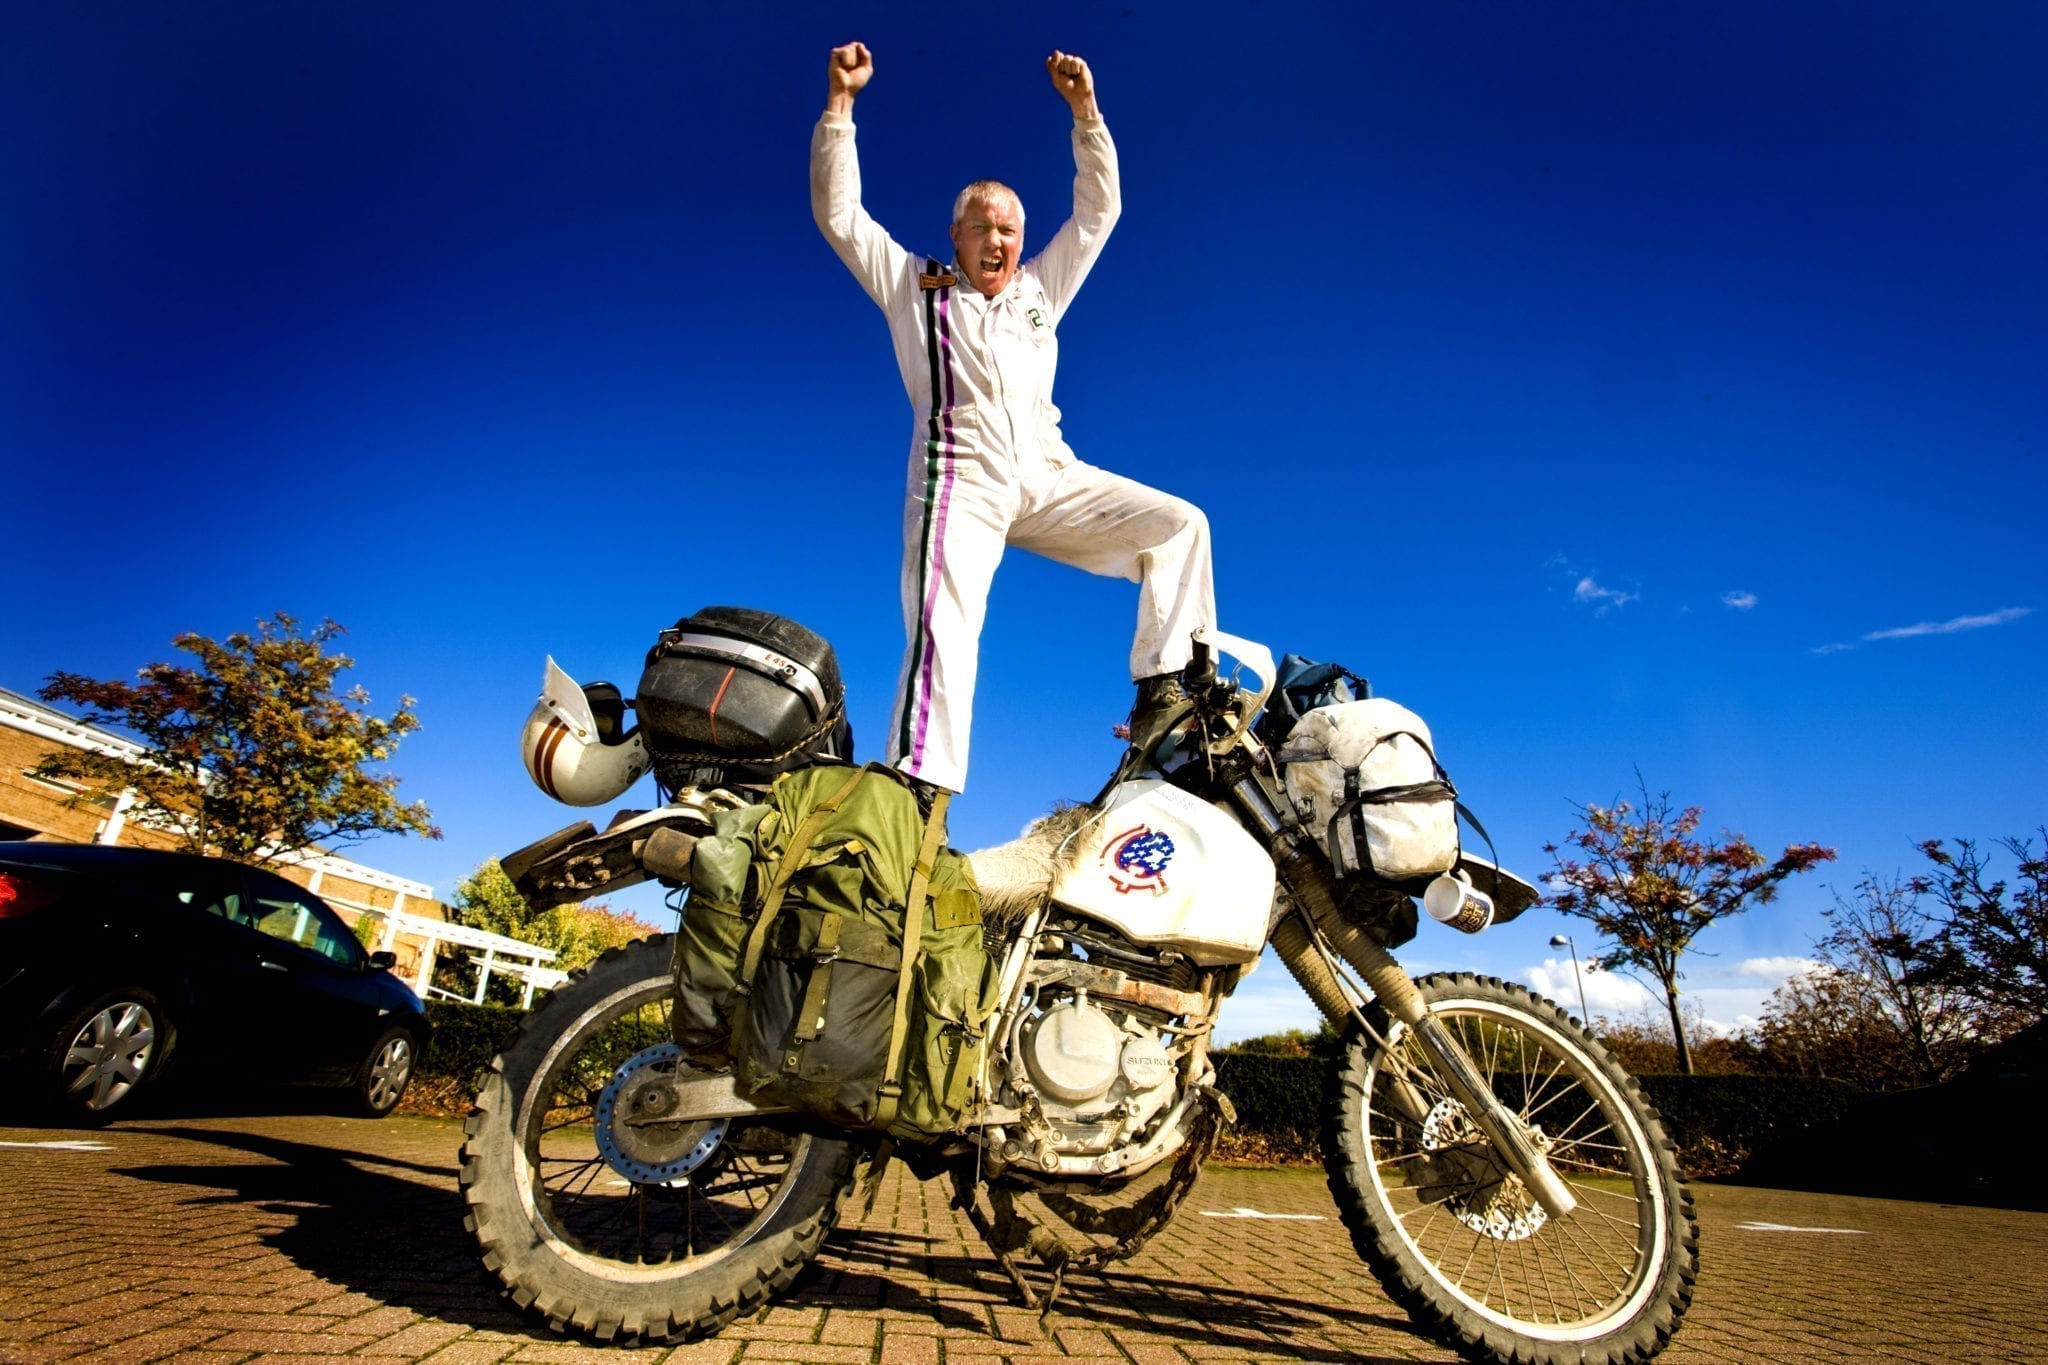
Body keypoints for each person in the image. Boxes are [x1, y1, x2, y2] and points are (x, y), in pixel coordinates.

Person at [811, 40, 1216, 800]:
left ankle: (1168, 694)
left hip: (1049, 474)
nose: (995, 241)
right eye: (981, 227)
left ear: (1021, 242)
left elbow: (1099, 213)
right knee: (946, 628)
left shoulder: (1039, 291)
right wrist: (841, 107)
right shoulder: (915, 289)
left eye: (1007, 230)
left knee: (1179, 526)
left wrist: (1085, 113)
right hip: (960, 482)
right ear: (956, 236)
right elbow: (839, 216)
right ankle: (917, 790)